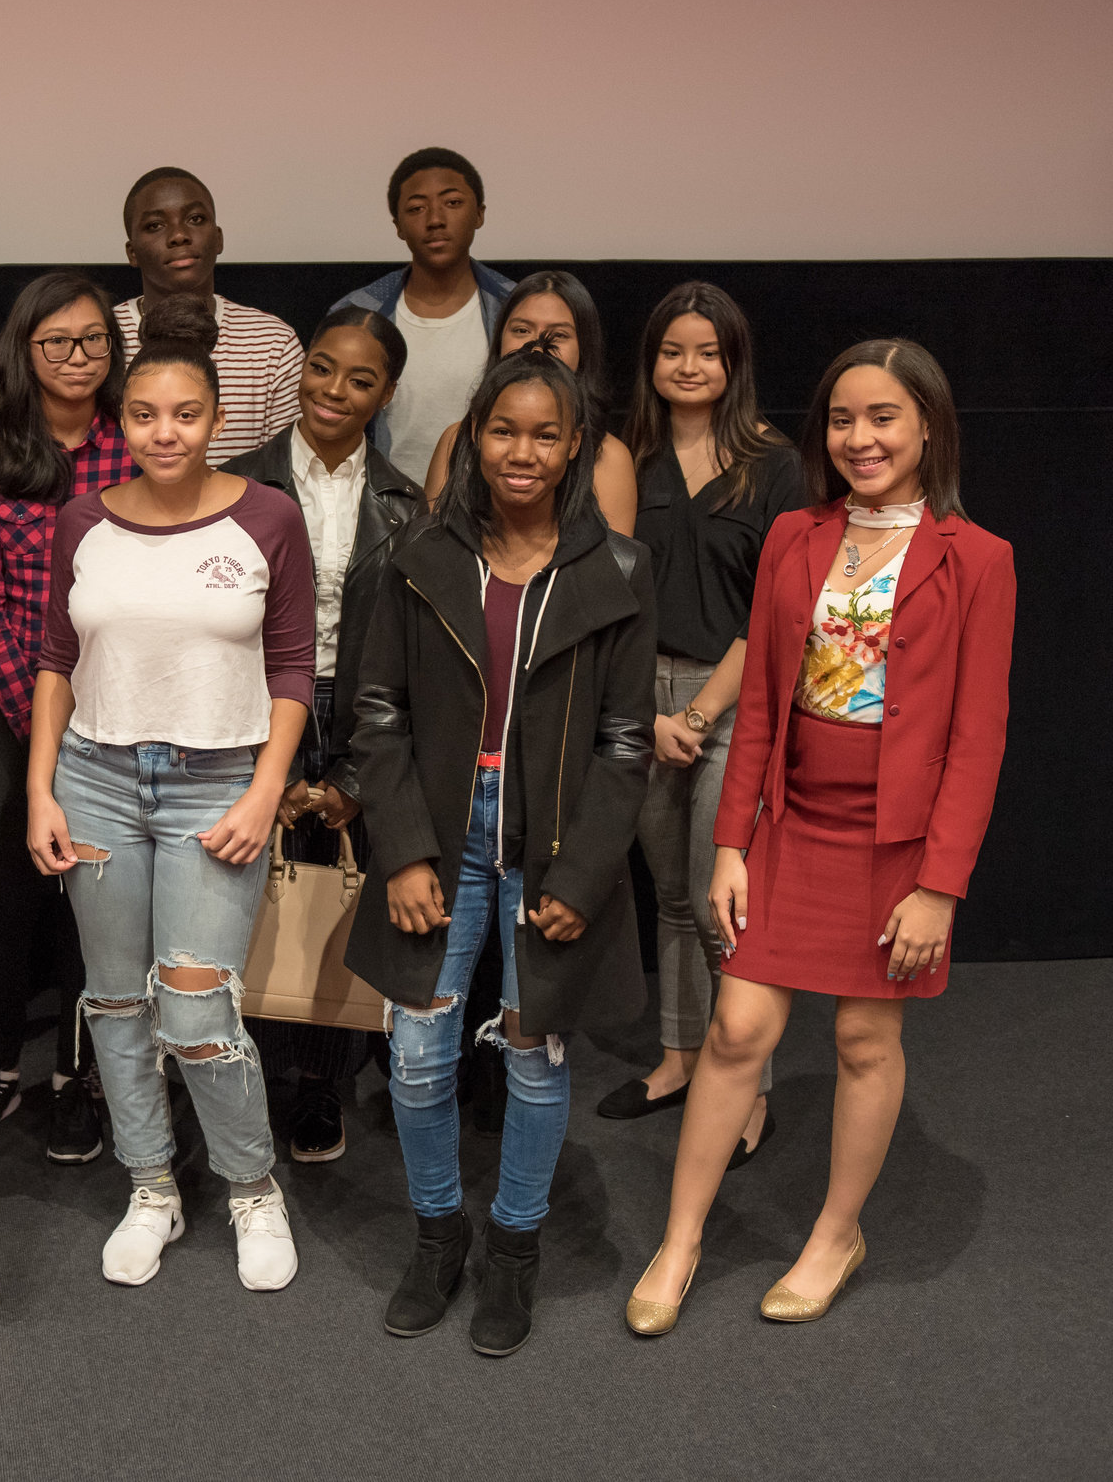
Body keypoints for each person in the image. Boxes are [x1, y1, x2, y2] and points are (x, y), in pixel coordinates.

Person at [626, 339, 1014, 1336]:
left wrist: (940, 886)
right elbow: (758, 702)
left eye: (882, 417)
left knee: (859, 1037)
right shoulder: (795, 537)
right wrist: (730, 840)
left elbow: (977, 737)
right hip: (792, 828)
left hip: (896, 849)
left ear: (926, 423)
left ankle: (836, 1234)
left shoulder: (978, 559)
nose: (859, 437)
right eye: (842, 419)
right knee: (738, 1030)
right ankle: (680, 1240)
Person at [345, 347, 654, 1357]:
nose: (521, 451)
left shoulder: (616, 569)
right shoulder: (419, 555)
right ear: (476, 436)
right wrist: (399, 850)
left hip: (552, 843)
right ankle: (438, 1234)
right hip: (440, 833)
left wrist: (581, 875)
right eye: (502, 429)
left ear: (573, 449)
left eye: (544, 434)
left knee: (532, 1052)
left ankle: (513, 1247)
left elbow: (623, 741)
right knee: (420, 1052)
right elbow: (378, 713)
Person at [26, 337, 315, 1293]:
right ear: (124, 423)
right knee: (113, 1002)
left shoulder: (268, 515)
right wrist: (39, 788)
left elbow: (292, 663)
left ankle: (249, 1184)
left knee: (194, 1007)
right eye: (145, 414)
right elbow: (57, 661)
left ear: (217, 419)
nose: (165, 431)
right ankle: (151, 1185)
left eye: (185, 413)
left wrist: (266, 788)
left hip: (217, 783)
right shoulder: (83, 519)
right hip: (97, 777)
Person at [595, 281, 800, 1163]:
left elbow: (778, 610)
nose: (688, 366)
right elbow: (604, 593)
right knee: (670, 900)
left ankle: (744, 1084)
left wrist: (699, 711)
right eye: (673, 351)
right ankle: (680, 1058)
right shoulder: (625, 457)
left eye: (706, 352)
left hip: (735, 696)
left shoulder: (775, 464)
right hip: (639, 694)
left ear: (733, 364)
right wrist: (648, 707)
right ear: (652, 363)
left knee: (724, 907)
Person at [221, 304, 421, 1163]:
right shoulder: (233, 480)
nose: (335, 390)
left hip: (364, 708)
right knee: (244, 887)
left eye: (362, 378)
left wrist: (351, 775)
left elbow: (408, 656)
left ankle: (317, 1088)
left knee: (332, 902)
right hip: (251, 699)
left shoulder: (408, 503)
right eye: (324, 367)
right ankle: (233, 1076)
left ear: (386, 394)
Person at [0, 271, 136, 1163]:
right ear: (26, 351)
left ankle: (77, 1078)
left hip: (116, 709)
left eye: (93, 340)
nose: (76, 357)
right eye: (56, 342)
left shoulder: (136, 450)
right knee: (3, 897)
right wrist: (33, 728)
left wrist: (81, 724)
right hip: (5, 705)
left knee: (88, 909)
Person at [331, 146, 518, 484]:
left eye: (453, 203)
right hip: (385, 508)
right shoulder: (357, 314)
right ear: (398, 225)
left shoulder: (516, 309)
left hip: (495, 506)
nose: (435, 220)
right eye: (417, 208)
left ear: (479, 214)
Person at [109, 167, 304, 462]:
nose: (178, 235)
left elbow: (283, 471)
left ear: (218, 238)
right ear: (132, 252)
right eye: (155, 225)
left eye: (195, 219)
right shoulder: (103, 337)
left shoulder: (273, 343)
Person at [424, 271, 638, 535]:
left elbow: (614, 568)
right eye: (521, 330)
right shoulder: (455, 438)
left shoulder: (610, 456)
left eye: (558, 335)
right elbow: (430, 550)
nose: (537, 345)